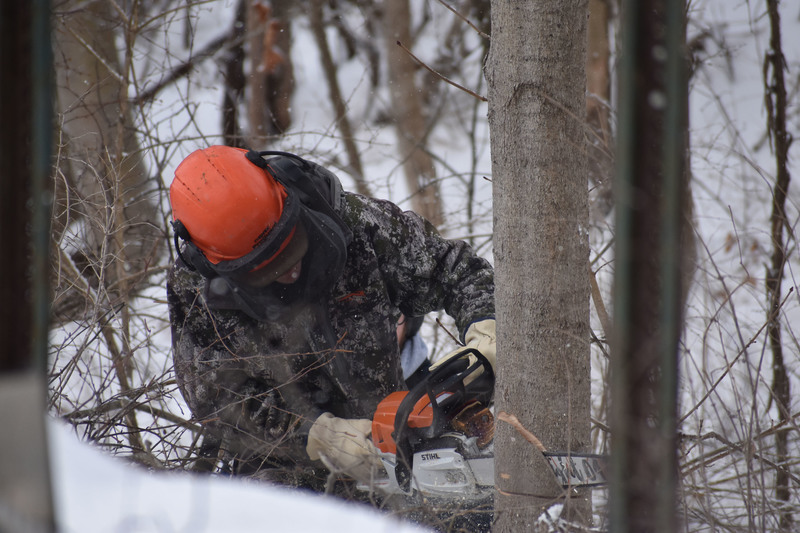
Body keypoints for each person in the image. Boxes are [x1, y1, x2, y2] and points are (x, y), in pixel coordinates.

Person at [166, 145, 496, 493]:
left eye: (289, 247)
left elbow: (453, 269)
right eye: (268, 267)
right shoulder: (198, 291)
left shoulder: (356, 226)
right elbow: (217, 398)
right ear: (213, 266)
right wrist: (316, 435)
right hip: (287, 474)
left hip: (395, 440)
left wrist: (487, 327)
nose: (290, 272)